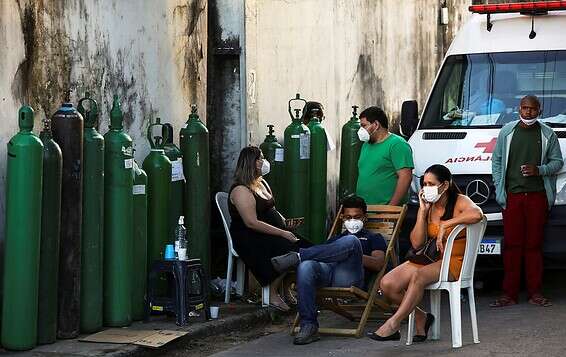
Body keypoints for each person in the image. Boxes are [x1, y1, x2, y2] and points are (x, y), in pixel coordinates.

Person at [368, 164, 482, 342]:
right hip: (430, 258)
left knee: (418, 276)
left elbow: (477, 214)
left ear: (444, 185)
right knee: (388, 284)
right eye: (424, 184)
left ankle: (393, 324)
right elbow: (417, 243)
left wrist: (447, 223)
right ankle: (422, 317)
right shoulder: (429, 206)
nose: (426, 188)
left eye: (431, 184)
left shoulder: (460, 201)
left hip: (454, 261)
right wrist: (422, 212)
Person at [270, 195, 387, 345]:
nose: (352, 221)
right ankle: (309, 325)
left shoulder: (374, 237)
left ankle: (299, 256)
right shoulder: (335, 239)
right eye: (348, 217)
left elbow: (378, 264)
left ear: (364, 218)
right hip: (328, 272)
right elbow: (321, 259)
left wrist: (353, 254)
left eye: (357, 217)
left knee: (351, 241)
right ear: (343, 219)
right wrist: (337, 251)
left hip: (349, 276)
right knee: (306, 266)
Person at [491, 95, 564, 308]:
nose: (528, 112)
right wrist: (498, 187)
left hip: (537, 197)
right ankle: (509, 294)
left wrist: (539, 170)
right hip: (512, 197)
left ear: (539, 110)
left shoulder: (547, 134)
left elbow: (557, 163)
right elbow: (496, 161)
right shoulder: (507, 132)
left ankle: (535, 293)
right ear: (518, 109)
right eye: (524, 108)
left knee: (534, 246)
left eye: (532, 109)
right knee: (512, 246)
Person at [229, 146, 311, 311]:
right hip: (250, 237)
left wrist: (285, 223)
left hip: (271, 232)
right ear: (251, 163)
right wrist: (282, 232)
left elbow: (270, 210)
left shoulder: (261, 183)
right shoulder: (240, 190)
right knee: (289, 250)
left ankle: (286, 287)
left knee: (306, 248)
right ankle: (272, 294)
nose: (263, 162)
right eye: (260, 158)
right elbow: (251, 222)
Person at [355, 106, 414, 205]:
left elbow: (405, 177)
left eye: (364, 125)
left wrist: (391, 209)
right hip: (363, 211)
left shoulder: (397, 144)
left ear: (376, 124)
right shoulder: (366, 144)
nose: (361, 130)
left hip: (385, 212)